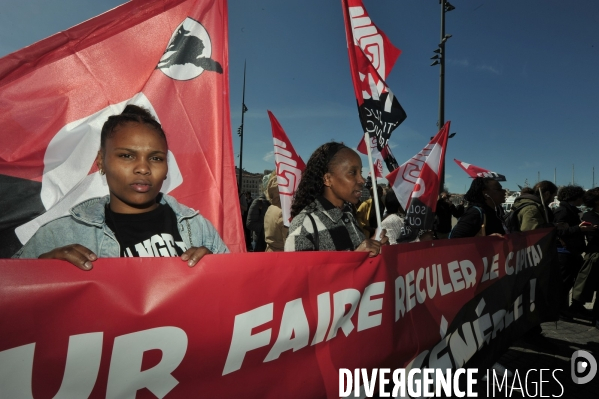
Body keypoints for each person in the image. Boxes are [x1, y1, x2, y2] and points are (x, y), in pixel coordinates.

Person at [14, 105, 228, 269]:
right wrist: (37, 273)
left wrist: (220, 274)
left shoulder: (199, 229)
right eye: (126, 156)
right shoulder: (58, 235)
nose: (143, 168)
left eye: (155, 158)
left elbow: (240, 301)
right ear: (101, 161)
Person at [285, 142, 388, 256]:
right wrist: (355, 258)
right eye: (352, 173)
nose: (362, 180)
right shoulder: (304, 226)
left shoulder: (348, 214)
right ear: (328, 179)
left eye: (361, 172)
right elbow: (297, 273)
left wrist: (373, 245)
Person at [553, 185, 596, 317]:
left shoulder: (571, 210)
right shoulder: (563, 211)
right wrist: (579, 229)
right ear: (575, 197)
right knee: (564, 283)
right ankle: (560, 310)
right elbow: (558, 231)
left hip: (573, 252)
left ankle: (575, 306)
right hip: (564, 252)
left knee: (576, 281)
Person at [571, 188, 599, 325]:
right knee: (584, 286)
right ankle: (574, 309)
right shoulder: (589, 215)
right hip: (595, 255)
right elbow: (594, 233)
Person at [264, 172, 288, 252]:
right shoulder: (283, 212)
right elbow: (289, 244)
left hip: (270, 253)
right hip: (280, 256)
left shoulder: (270, 208)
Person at [246, 175, 271, 252]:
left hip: (269, 241)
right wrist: (267, 227)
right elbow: (249, 223)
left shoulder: (273, 202)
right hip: (259, 241)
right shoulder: (258, 202)